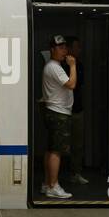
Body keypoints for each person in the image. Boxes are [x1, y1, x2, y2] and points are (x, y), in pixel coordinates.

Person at [41, 35, 77, 199]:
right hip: (59, 113)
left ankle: (47, 183)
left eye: (65, 47)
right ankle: (53, 186)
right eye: (60, 48)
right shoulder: (55, 67)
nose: (65, 50)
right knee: (56, 151)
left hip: (53, 112)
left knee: (50, 149)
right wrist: (73, 65)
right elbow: (71, 84)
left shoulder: (53, 66)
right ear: (52, 50)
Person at [65, 36, 88, 186]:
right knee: (62, 145)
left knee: (77, 144)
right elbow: (70, 85)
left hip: (77, 108)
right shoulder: (60, 66)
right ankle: (58, 176)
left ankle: (76, 173)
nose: (79, 50)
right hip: (64, 110)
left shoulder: (79, 65)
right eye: (77, 46)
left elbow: (80, 84)